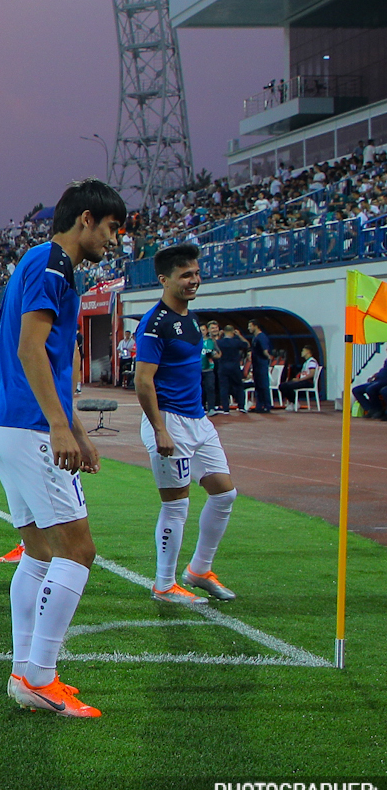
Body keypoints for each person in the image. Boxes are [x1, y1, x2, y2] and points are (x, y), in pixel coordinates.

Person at [0, 178, 125, 718]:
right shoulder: (54, 265)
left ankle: (26, 674)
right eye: (111, 228)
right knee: (78, 551)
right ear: (85, 219)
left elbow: (52, 362)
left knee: (40, 553)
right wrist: (59, 429)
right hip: (29, 425)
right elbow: (29, 347)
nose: (113, 240)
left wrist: (78, 429)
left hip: (9, 423)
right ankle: (40, 677)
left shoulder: (40, 261)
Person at [132, 243, 239, 605]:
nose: (194, 280)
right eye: (185, 275)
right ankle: (164, 584)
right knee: (176, 505)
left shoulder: (191, 319)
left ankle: (198, 570)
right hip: (170, 422)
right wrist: (159, 428)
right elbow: (143, 381)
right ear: (164, 279)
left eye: (196, 273)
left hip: (198, 420)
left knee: (224, 494)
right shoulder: (154, 323)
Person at [215, 325, 248, 413]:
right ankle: (241, 406)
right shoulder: (236, 342)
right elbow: (247, 344)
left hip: (223, 367)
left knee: (224, 387)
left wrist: (219, 336)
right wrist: (240, 335)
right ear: (233, 332)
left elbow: (214, 344)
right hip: (235, 367)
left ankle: (225, 408)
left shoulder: (220, 342)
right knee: (239, 386)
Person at [246, 319, 275, 413]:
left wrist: (268, 356)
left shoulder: (261, 337)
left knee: (263, 384)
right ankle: (259, 405)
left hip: (261, 363)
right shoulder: (255, 337)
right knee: (258, 385)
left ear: (255, 326)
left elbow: (265, 349)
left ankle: (267, 405)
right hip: (256, 364)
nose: (248, 328)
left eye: (250, 326)